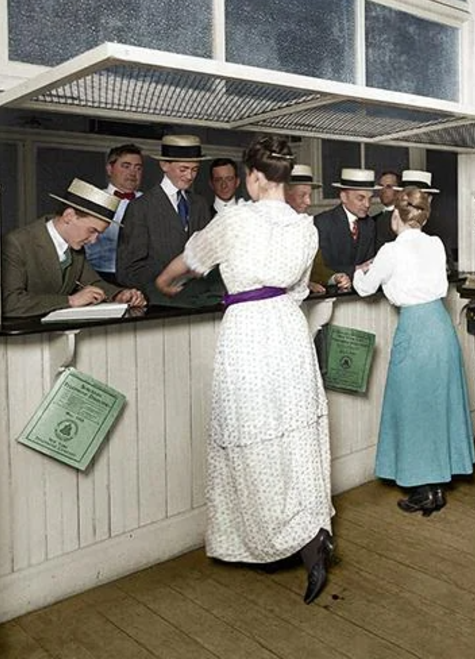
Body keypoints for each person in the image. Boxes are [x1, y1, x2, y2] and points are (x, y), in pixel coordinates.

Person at [154, 136, 334, 604]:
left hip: (248, 332)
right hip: (288, 330)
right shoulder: (305, 228)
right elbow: (297, 288)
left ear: (253, 177)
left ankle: (268, 540)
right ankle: (310, 535)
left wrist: (163, 281)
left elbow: (190, 263)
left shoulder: (232, 219)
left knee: (250, 432)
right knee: (295, 436)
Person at [352, 181, 475, 515]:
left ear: (396, 214)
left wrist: (359, 270)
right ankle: (436, 484)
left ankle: (425, 491)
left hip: (414, 328)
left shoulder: (390, 250)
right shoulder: (435, 244)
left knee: (413, 408)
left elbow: (364, 289)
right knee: (436, 404)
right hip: (440, 326)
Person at [1, 178, 147, 317]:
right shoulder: (16, 243)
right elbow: (10, 302)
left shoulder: (74, 246)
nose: (94, 240)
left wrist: (119, 295)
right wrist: (70, 301)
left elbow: (93, 283)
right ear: (69, 216)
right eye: (92, 231)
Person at [117, 134, 214, 298]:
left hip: (199, 301)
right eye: (183, 169)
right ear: (164, 165)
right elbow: (128, 270)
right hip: (159, 304)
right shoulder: (140, 207)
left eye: (194, 170)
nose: (189, 176)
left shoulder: (200, 205)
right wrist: (163, 283)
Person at [85, 143, 144, 285]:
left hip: (139, 277)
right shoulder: (92, 199)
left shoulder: (150, 202)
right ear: (110, 169)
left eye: (138, 168)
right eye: (126, 166)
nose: (132, 173)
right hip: (98, 275)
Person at [313, 167, 378, 290]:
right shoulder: (322, 223)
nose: (367, 204)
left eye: (370, 198)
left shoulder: (369, 224)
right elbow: (322, 268)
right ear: (343, 197)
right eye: (361, 198)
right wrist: (356, 270)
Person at [285, 164, 333, 295]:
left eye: (309, 195)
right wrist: (304, 284)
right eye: (302, 195)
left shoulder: (308, 228)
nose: (308, 202)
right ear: (284, 194)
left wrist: (334, 277)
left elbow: (317, 269)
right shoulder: (269, 227)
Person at [373, 170, 400, 251]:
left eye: (388, 187)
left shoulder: (404, 218)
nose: (383, 191)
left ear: (399, 190)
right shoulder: (372, 220)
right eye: (381, 186)